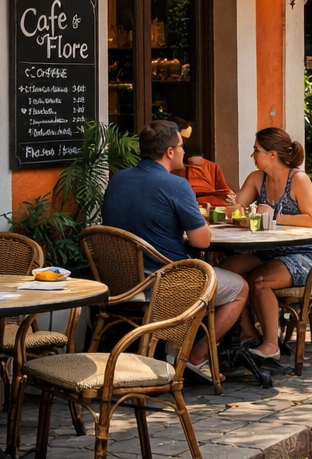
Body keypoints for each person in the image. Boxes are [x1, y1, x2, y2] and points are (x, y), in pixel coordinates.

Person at [102, 119, 251, 384]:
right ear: (169, 152)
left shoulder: (117, 180)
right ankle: (195, 356)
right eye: (181, 146)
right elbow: (202, 242)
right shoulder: (176, 185)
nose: (184, 151)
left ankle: (174, 350)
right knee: (239, 288)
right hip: (165, 282)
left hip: (119, 282)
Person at [221, 128, 312, 365]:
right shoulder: (257, 178)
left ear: (271, 154)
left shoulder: (298, 179)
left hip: (305, 254)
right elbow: (239, 210)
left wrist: (275, 216)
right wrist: (233, 209)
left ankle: (270, 345)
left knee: (259, 280)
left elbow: (311, 219)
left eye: (256, 150)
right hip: (267, 251)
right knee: (227, 271)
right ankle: (249, 333)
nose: (252, 155)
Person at [168, 118, 234, 209]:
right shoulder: (168, 171)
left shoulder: (211, 167)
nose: (183, 150)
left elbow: (227, 194)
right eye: (180, 145)